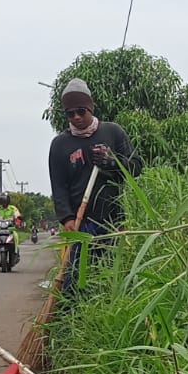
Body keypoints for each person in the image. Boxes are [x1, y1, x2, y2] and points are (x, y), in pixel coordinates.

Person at [48, 79, 141, 288]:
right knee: (74, 281)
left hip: (113, 221)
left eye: (81, 111)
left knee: (111, 279)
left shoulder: (113, 133)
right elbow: (58, 186)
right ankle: (71, 317)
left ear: (90, 108)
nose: (76, 117)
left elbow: (137, 166)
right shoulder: (60, 144)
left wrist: (113, 161)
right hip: (80, 223)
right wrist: (66, 217)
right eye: (70, 113)